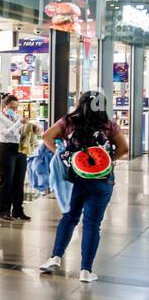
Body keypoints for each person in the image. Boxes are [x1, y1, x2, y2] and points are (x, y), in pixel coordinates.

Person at [39, 90, 130, 282]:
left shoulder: (69, 121)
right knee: (92, 224)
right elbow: (124, 148)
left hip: (74, 178)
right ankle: (86, 271)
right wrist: (106, 160)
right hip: (101, 180)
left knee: (69, 217)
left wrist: (61, 154)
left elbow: (47, 136)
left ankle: (55, 257)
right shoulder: (109, 124)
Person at [0, 94, 29, 221]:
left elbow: (20, 133)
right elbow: (5, 133)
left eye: (16, 108)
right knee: (7, 181)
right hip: (6, 149)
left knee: (19, 181)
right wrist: (19, 124)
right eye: (12, 107)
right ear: (5, 105)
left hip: (20, 148)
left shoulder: (17, 116)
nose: (14, 110)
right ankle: (4, 211)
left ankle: (18, 210)